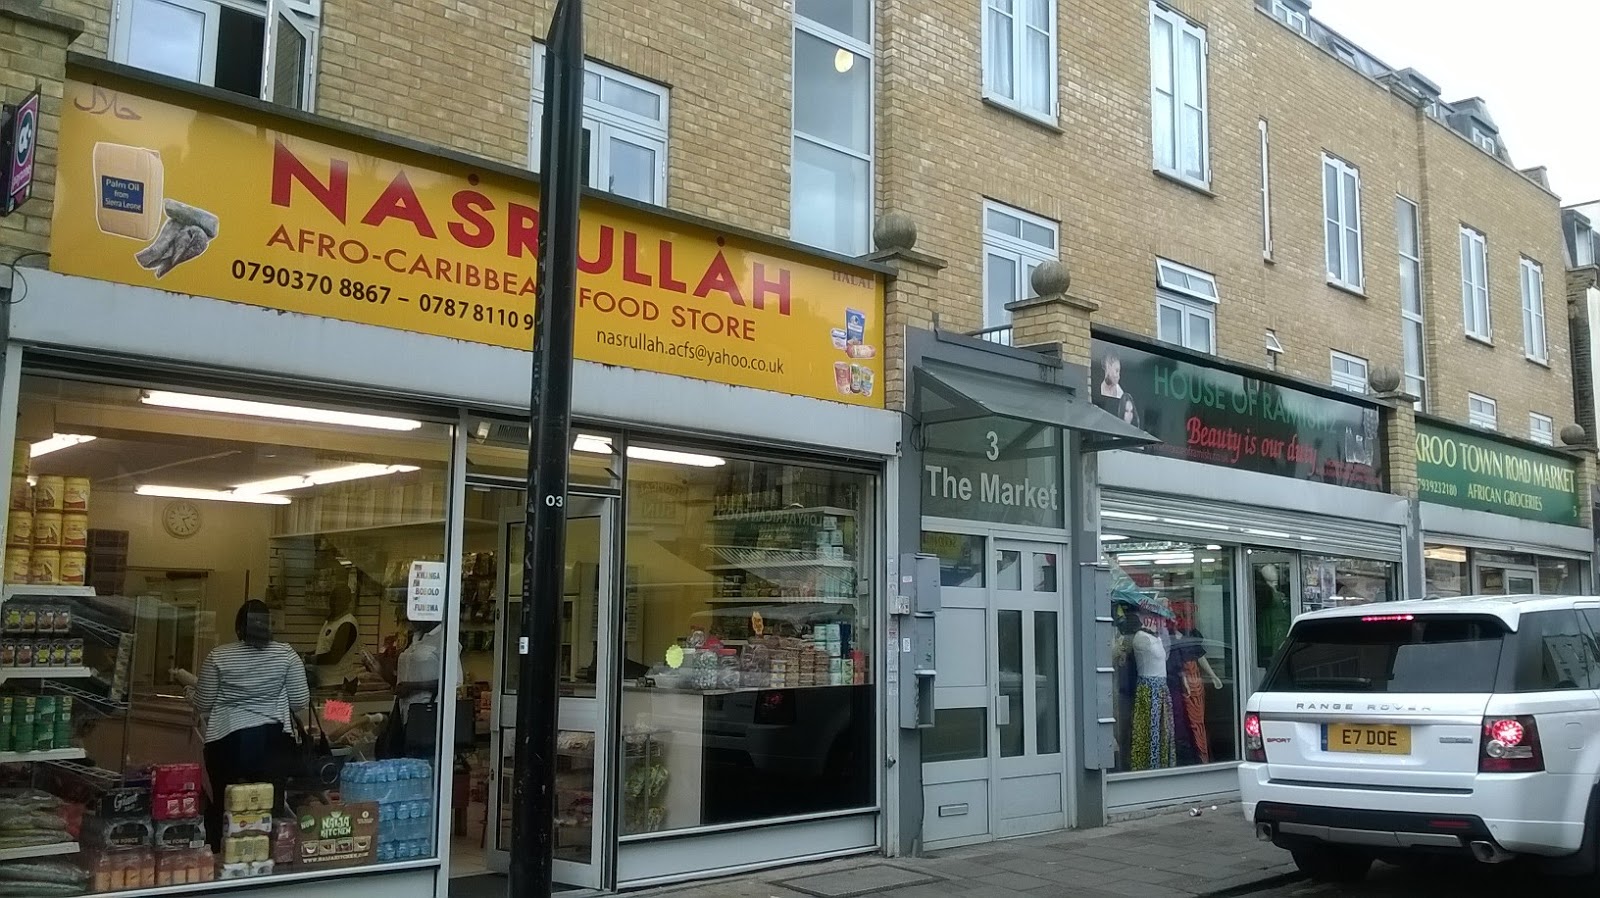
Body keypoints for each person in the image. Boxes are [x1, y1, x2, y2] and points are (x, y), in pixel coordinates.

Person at [172, 600, 310, 850]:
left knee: (226, 805)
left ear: (238, 629)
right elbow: (300, 701)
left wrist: (189, 692)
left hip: (227, 743)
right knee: (271, 808)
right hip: (273, 742)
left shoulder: (219, 656)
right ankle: (271, 860)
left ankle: (221, 860)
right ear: (270, 626)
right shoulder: (286, 655)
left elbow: (203, 703)